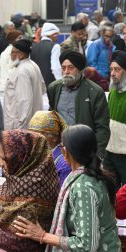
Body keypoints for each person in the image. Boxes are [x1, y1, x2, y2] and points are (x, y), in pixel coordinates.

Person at [13, 125, 121, 251]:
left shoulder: (83, 188)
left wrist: (42, 235)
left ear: (66, 152)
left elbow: (86, 245)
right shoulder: (94, 175)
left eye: (61, 146)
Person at [0, 129, 59, 251]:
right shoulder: (23, 175)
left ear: (21, 156)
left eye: (4, 158)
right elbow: (10, 199)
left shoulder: (35, 187)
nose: (0, 164)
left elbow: (18, 240)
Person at [48, 50, 110, 158]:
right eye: (63, 68)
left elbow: (102, 128)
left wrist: (98, 156)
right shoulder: (54, 88)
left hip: (83, 149)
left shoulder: (94, 92)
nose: (66, 72)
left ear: (80, 69)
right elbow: (51, 116)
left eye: (71, 68)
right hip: (59, 148)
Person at [4, 39, 45, 130]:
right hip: (34, 121)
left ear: (20, 54)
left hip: (20, 126)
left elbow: (24, 101)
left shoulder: (21, 71)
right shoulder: (33, 65)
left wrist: (20, 128)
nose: (11, 56)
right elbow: (42, 89)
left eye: (12, 53)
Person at [29, 111, 71, 187]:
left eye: (37, 135)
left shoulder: (64, 162)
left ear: (54, 137)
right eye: (31, 135)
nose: (32, 139)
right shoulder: (38, 156)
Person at [103, 50, 126, 186]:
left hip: (124, 153)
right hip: (109, 150)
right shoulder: (112, 91)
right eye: (111, 69)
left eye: (117, 69)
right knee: (109, 187)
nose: (112, 73)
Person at [30, 23, 62, 87]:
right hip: (50, 84)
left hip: (36, 85)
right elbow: (55, 68)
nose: (57, 38)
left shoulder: (33, 47)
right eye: (57, 35)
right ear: (52, 34)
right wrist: (60, 82)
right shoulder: (55, 46)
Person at [86, 26, 115, 91]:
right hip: (97, 79)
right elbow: (91, 63)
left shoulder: (112, 46)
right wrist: (100, 75)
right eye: (106, 36)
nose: (108, 38)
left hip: (109, 78)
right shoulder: (95, 45)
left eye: (110, 37)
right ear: (102, 34)